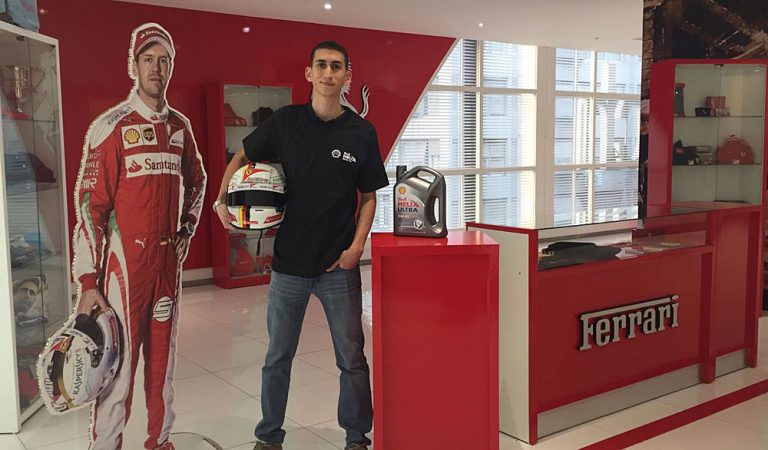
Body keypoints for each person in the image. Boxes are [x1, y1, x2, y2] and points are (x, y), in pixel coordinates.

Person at [214, 41, 388, 450]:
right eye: (321, 65)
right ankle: (269, 437)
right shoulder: (286, 122)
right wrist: (221, 201)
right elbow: (240, 157)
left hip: (338, 267)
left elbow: (368, 197)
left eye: (337, 67)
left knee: (352, 360)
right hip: (288, 266)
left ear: (347, 76)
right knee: (277, 358)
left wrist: (356, 248)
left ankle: (357, 438)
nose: (329, 73)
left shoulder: (361, 132)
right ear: (309, 73)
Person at [72, 22, 206, 450]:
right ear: (134, 65)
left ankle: (160, 441)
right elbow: (89, 208)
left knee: (163, 364)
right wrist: (88, 281)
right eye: (148, 59)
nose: (156, 68)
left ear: (171, 67)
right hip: (124, 269)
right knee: (119, 365)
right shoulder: (110, 126)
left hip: (166, 266)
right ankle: (106, 444)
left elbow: (199, 180)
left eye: (164, 60)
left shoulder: (180, 127)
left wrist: (186, 229)